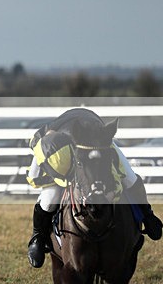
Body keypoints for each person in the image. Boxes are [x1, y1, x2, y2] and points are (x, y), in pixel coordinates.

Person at [25, 108, 162, 268]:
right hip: (70, 150)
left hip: (101, 142)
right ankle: (38, 237)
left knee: (130, 179)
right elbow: (35, 179)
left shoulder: (91, 134)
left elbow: (116, 177)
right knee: (49, 198)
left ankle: (147, 216)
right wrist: (65, 180)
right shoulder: (50, 147)